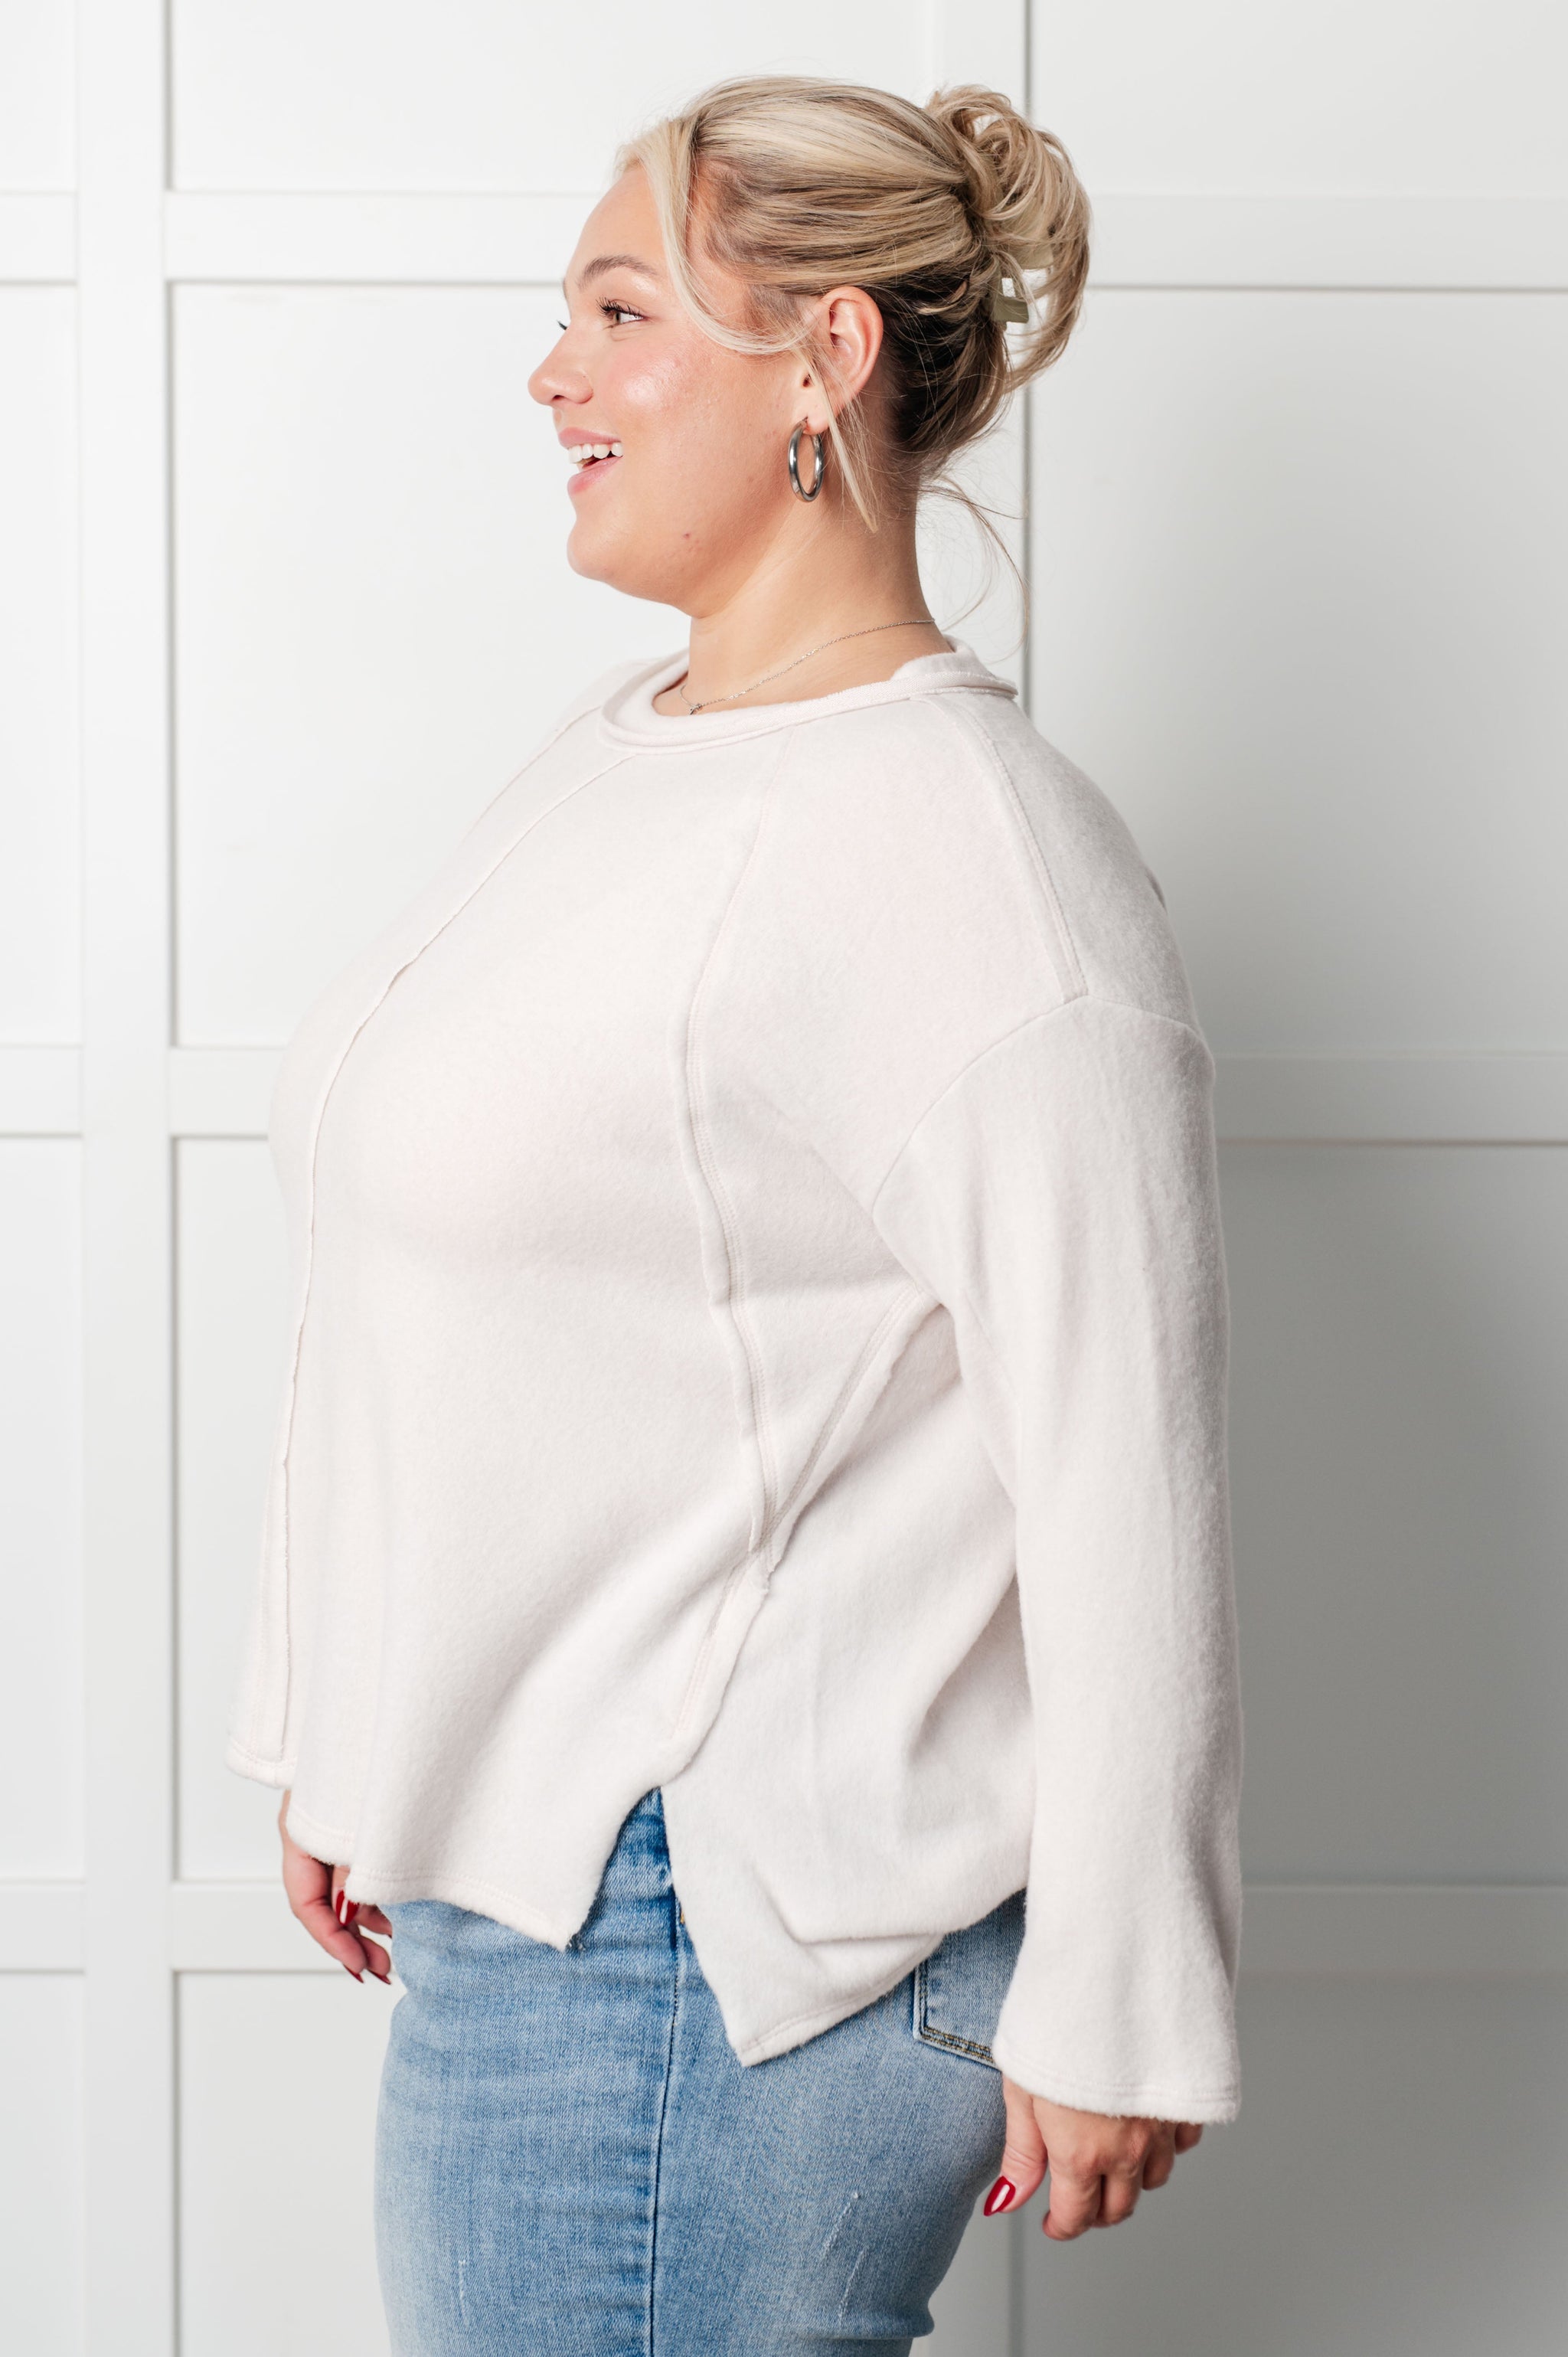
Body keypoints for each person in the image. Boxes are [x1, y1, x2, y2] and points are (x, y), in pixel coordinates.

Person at [230, 74, 1242, 2355]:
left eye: (620, 310)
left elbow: (1126, 1464)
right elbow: (431, 1261)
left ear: (825, 361)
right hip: (549, 1897)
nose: (550, 374)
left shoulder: (968, 851)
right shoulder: (625, 756)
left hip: (711, 1945)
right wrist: (352, 1717)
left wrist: (1126, 1991)